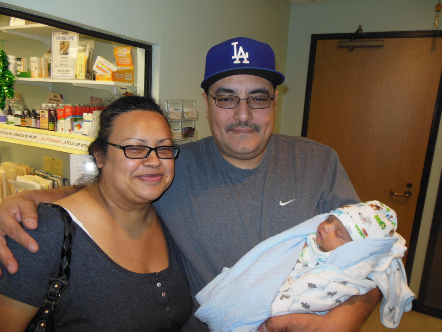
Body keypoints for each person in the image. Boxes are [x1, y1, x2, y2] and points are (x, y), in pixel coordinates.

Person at [0, 37, 382, 332]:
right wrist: (34, 196)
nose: (243, 114)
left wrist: (343, 320)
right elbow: (115, 186)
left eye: (259, 98)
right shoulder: (174, 165)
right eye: (226, 98)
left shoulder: (318, 163)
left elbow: (377, 255)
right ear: (206, 102)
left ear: (276, 100)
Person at [0, 96, 192, 331]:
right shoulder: (46, 232)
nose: (154, 161)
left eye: (163, 148)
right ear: (100, 156)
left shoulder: (170, 214)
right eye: (134, 148)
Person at [194, 201, 415, 331]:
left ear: (354, 250)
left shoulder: (349, 267)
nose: (326, 229)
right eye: (330, 220)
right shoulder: (308, 240)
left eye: (338, 234)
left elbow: (339, 286)